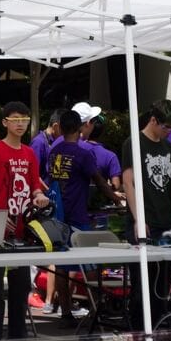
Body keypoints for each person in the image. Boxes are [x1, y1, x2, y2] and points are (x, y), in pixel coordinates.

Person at [0, 101, 49, 340]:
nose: (20, 123)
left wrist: (39, 196)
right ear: (5, 122)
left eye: (24, 119)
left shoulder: (29, 153)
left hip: (23, 229)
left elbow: (34, 186)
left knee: (21, 286)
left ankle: (18, 334)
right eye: (15, 119)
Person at [47, 110, 120, 328]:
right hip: (78, 216)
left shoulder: (54, 151)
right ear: (80, 128)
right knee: (90, 262)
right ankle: (98, 308)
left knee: (61, 265)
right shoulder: (83, 154)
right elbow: (98, 181)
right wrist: (116, 198)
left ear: (60, 127)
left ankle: (66, 313)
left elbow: (52, 178)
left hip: (57, 216)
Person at [121, 99, 171, 331]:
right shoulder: (133, 143)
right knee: (141, 282)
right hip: (144, 220)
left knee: (162, 282)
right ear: (153, 120)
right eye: (165, 127)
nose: (168, 133)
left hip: (165, 221)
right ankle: (138, 331)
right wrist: (139, 218)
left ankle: (158, 328)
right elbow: (129, 182)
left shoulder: (168, 148)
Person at [30, 108, 65, 180]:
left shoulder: (57, 141)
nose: (66, 133)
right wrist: (48, 190)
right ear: (55, 126)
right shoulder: (38, 143)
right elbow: (32, 175)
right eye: (65, 129)